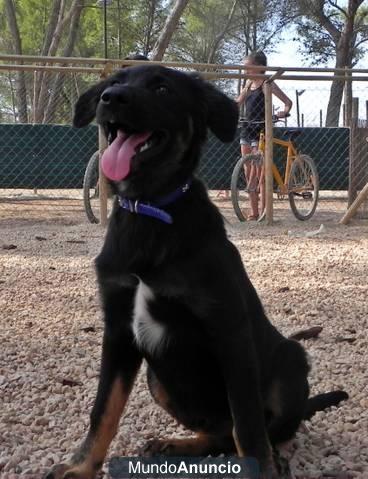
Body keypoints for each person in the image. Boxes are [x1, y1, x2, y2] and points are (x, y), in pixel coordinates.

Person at [236, 51, 292, 220]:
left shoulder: (268, 83)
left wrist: (283, 112)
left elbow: (288, 102)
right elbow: (238, 102)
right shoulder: (247, 85)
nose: (245, 70)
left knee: (261, 175)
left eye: (248, 67)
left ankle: (265, 212)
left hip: (262, 131)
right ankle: (254, 213)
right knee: (248, 174)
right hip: (247, 129)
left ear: (259, 67)